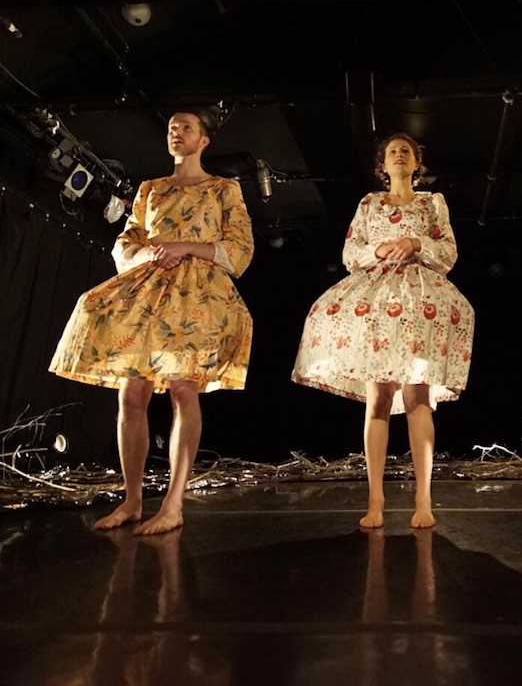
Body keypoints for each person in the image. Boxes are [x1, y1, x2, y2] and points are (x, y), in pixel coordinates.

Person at [50, 108, 254, 535]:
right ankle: (133, 499)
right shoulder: (151, 189)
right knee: (131, 394)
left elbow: (239, 247)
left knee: (183, 390)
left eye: (186, 128)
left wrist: (183, 246)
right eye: (171, 128)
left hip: (197, 296)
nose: (176, 133)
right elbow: (128, 241)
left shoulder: (223, 189)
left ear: (203, 141)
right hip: (149, 292)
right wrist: (148, 253)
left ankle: (174, 504)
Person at [292, 133, 474, 529]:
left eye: (405, 151)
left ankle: (423, 501)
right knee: (377, 400)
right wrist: (378, 251)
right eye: (392, 152)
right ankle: (375, 500)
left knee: (418, 400)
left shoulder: (431, 203)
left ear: (416, 163)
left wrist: (415, 242)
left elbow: (448, 253)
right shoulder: (369, 203)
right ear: (383, 164)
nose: (399, 155)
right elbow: (350, 253)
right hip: (376, 302)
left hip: (418, 302)